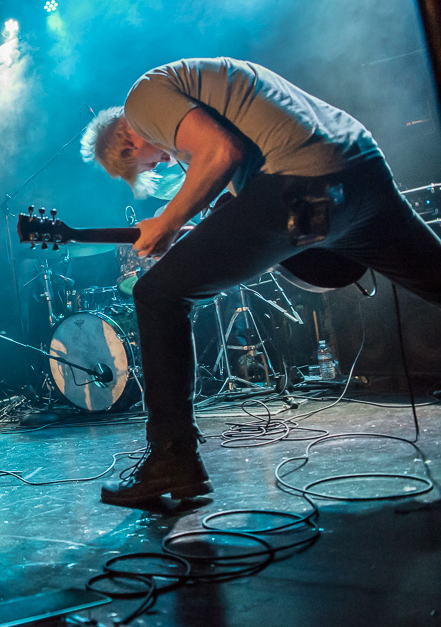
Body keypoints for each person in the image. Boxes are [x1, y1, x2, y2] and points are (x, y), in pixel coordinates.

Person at [80, 57, 441, 506]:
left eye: (147, 164)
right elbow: (238, 175)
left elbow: (220, 151)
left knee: (158, 293)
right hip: (360, 166)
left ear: (129, 146)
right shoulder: (202, 83)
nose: (165, 161)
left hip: (301, 179)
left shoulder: (141, 102)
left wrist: (169, 222)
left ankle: (172, 461)